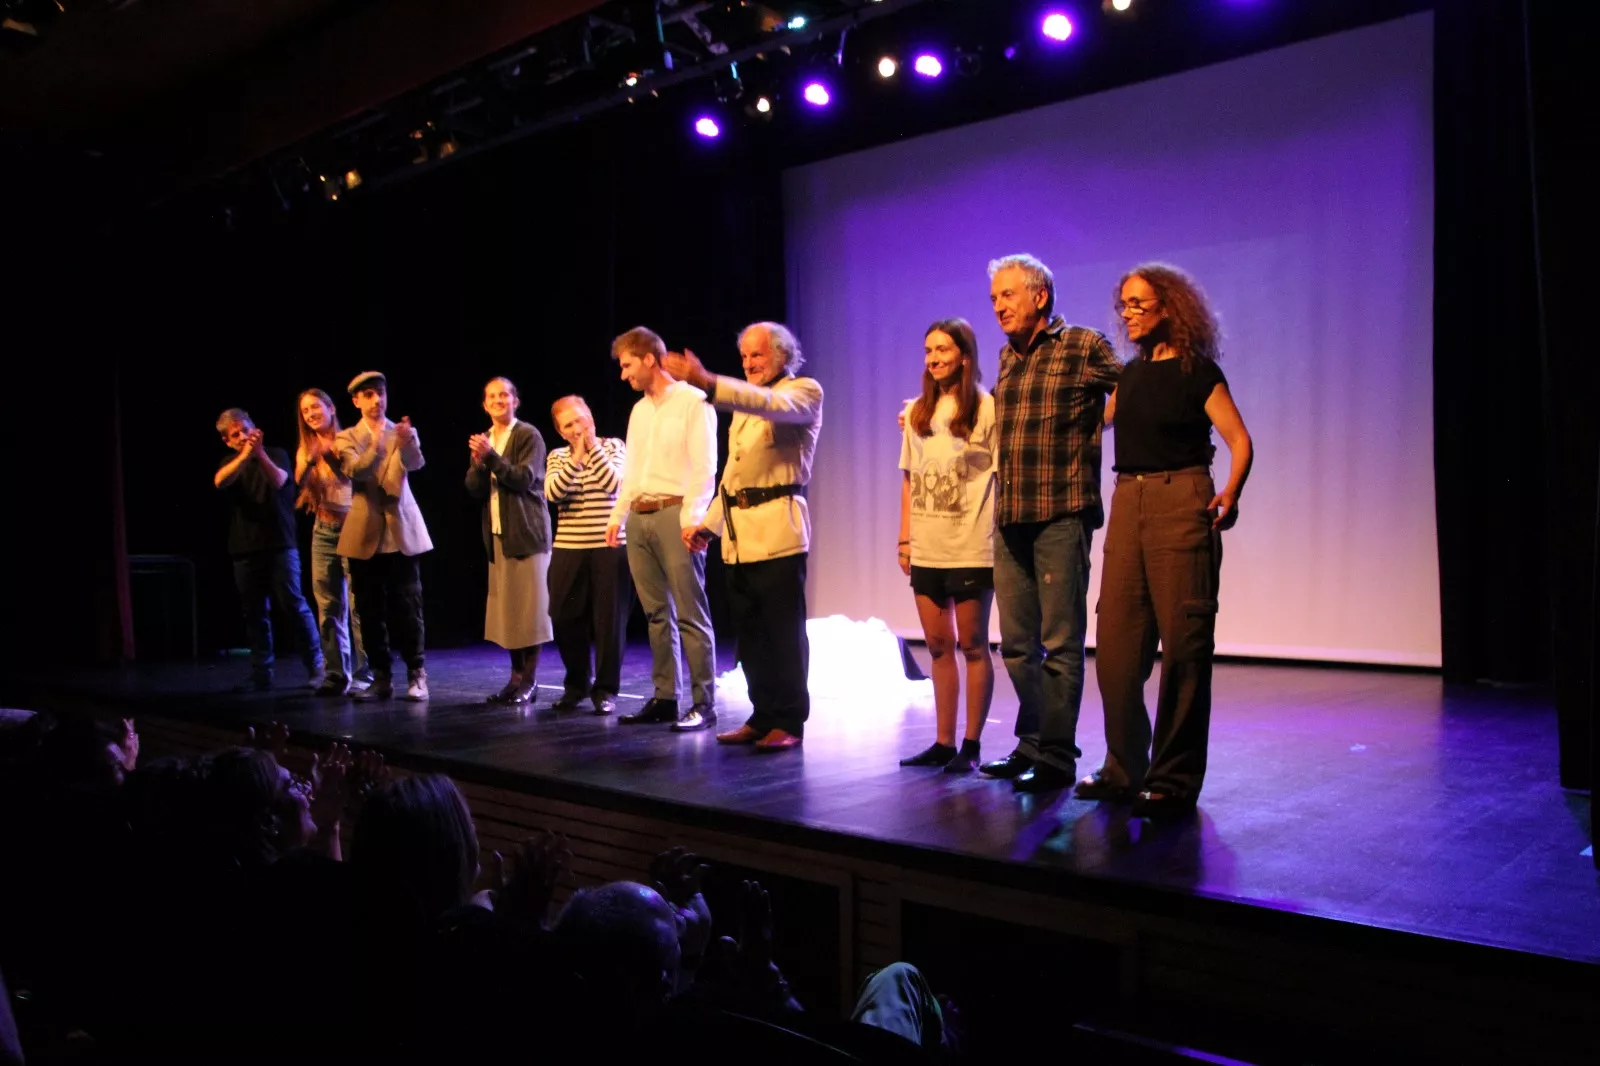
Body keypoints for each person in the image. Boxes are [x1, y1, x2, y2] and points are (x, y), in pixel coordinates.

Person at [1076, 264, 1253, 818]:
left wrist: (1231, 490)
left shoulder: (1198, 373)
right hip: (1128, 501)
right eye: (1123, 303)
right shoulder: (1128, 377)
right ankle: (1124, 765)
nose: (1125, 313)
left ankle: (1173, 778)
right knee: (1116, 650)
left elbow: (1239, 438)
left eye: (1136, 303)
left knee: (1184, 647)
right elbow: (1089, 424)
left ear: (1169, 309)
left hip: (1183, 500)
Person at [982, 254, 1122, 793]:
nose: (998, 306)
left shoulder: (1082, 345)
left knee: (1061, 641)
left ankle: (1057, 756)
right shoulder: (1006, 357)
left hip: (1062, 511)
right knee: (1017, 644)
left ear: (1040, 297)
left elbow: (1127, 387)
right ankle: (1033, 742)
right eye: (994, 298)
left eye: (1008, 295)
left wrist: (1099, 420)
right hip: (1012, 512)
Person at [668, 322, 823, 753]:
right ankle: (762, 714)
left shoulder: (804, 391)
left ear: (783, 355)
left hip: (779, 530)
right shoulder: (744, 404)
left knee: (782, 633)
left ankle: (789, 719)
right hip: (739, 537)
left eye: (758, 355)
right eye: (745, 357)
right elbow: (734, 476)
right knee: (751, 635)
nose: (750, 363)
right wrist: (708, 524)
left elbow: (770, 403)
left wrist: (709, 382)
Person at [894, 319, 997, 774]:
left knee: (973, 645)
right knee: (939, 646)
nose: (933, 358)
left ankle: (971, 746)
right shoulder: (917, 412)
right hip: (928, 546)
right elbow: (908, 478)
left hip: (971, 544)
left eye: (942, 349)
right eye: (928, 350)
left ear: (964, 356)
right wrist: (905, 539)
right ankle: (942, 741)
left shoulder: (987, 409)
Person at [606, 328, 719, 732]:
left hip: (676, 514)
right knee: (656, 612)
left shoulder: (692, 400)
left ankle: (704, 702)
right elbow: (633, 468)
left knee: (690, 609)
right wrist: (618, 515)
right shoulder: (639, 411)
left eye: (627, 365)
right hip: (640, 515)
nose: (624, 375)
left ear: (649, 358)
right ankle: (665, 697)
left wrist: (693, 518)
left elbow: (706, 467)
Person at [335, 371, 433, 702]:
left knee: (408, 606)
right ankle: (380, 676)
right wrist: (378, 444)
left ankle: (417, 674)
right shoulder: (346, 437)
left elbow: (416, 463)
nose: (377, 399)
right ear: (357, 401)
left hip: (400, 530)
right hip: (364, 534)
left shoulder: (402, 431)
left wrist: (407, 442)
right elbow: (355, 471)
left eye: (381, 392)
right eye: (369, 394)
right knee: (369, 609)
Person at [213, 408, 324, 693]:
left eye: (245, 430)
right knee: (254, 612)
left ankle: (317, 666)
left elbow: (279, 481)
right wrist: (244, 456)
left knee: (293, 603)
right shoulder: (230, 462)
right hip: (245, 549)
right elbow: (220, 482)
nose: (242, 437)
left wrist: (258, 453)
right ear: (227, 440)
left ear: (255, 429)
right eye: (235, 434)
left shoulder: (275, 453)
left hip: (280, 544)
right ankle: (262, 672)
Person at [466, 377, 552, 705]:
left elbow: (523, 479)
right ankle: (515, 677)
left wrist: (489, 458)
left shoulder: (528, 435)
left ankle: (529, 680)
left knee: (530, 614)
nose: (499, 400)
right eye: (492, 396)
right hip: (498, 537)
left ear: (516, 400)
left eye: (505, 394)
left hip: (526, 535)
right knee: (510, 613)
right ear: (485, 405)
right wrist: (477, 463)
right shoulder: (486, 439)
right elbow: (474, 489)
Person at [545, 395, 633, 716]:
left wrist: (592, 451)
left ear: (591, 418)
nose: (576, 428)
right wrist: (576, 459)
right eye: (568, 424)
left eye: (580, 419)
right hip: (569, 546)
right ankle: (576, 683)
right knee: (564, 616)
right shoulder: (557, 456)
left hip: (611, 546)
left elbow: (615, 486)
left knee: (609, 620)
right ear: (560, 431)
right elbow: (554, 493)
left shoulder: (614, 447)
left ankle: (606, 689)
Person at [294, 388, 371, 696]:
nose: (311, 414)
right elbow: (298, 481)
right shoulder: (306, 446)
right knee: (328, 605)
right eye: (305, 411)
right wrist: (310, 461)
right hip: (323, 529)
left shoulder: (348, 438)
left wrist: (329, 455)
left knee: (358, 605)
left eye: (315, 407)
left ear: (330, 407)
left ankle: (364, 673)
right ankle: (336, 674)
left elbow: (354, 478)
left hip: (352, 525)